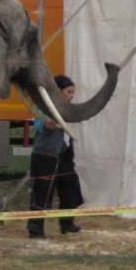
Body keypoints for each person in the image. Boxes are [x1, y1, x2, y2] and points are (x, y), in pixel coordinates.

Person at [27, 74, 84, 239]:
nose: (72, 95)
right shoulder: (45, 106)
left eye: (73, 92)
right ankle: (35, 229)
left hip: (64, 155)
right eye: (69, 92)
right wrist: (47, 124)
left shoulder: (69, 109)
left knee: (70, 187)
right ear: (59, 92)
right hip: (46, 156)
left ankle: (67, 223)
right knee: (43, 193)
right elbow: (37, 123)